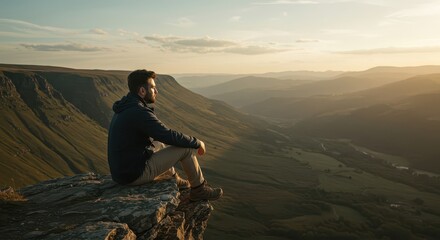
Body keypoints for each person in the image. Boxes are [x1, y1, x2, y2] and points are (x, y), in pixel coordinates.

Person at [107, 69, 223, 201]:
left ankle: (174, 179)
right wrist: (197, 142)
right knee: (186, 149)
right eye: (153, 88)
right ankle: (199, 190)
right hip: (133, 175)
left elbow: (159, 136)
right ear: (142, 91)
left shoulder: (126, 106)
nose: (156, 91)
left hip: (123, 172)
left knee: (159, 144)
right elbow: (168, 135)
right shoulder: (138, 112)